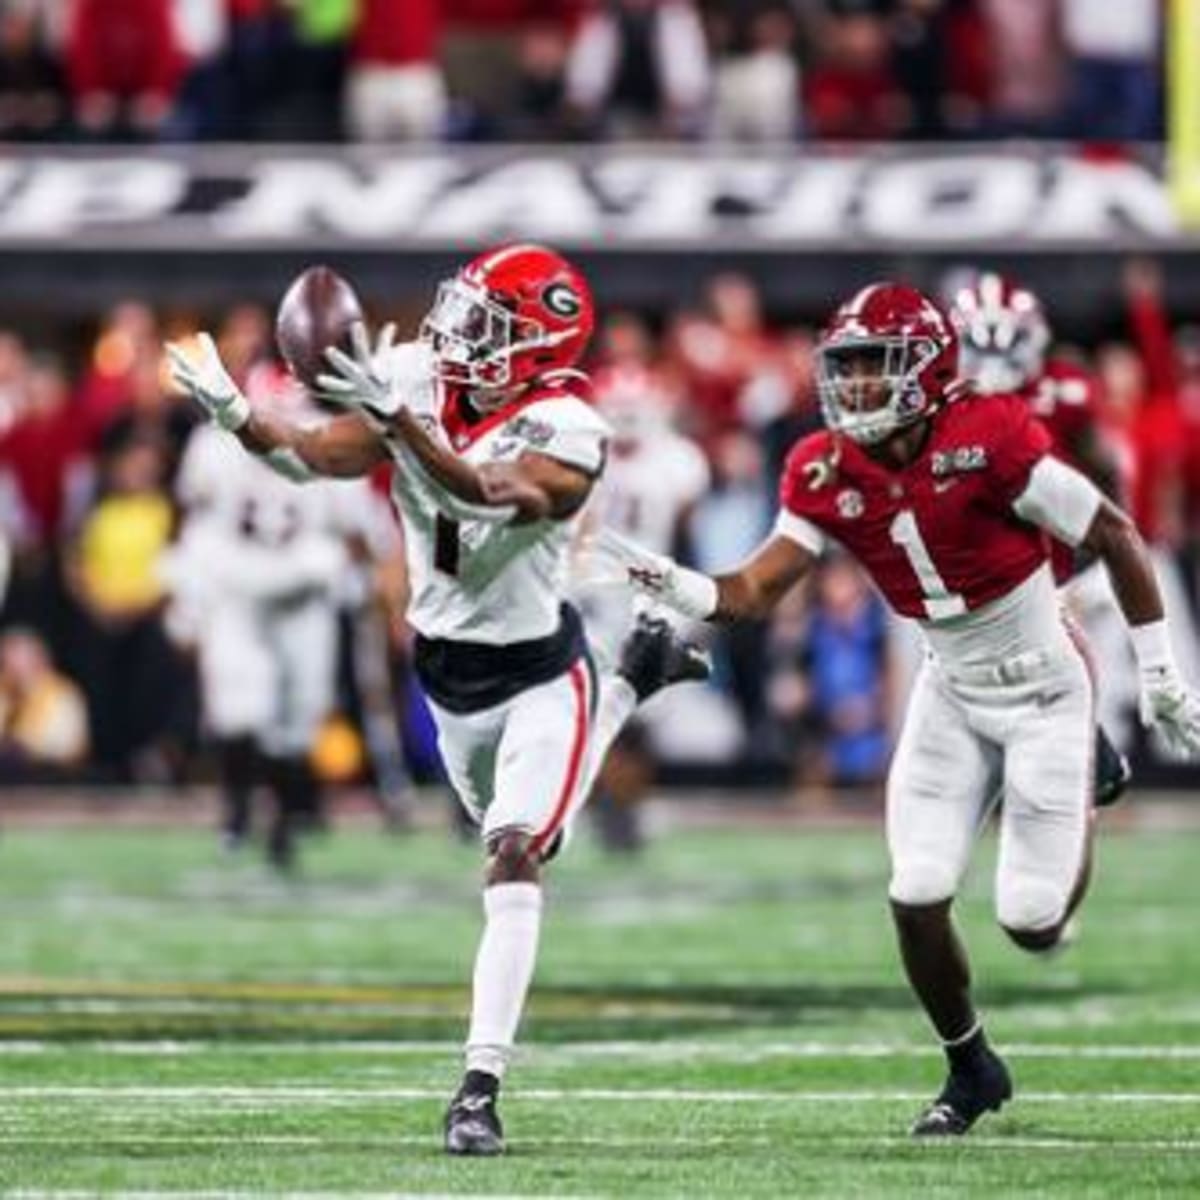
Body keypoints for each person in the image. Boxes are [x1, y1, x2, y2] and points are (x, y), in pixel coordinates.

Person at [584, 281, 1200, 1137]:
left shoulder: (992, 432)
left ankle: (1093, 764)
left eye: (877, 367)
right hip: (948, 688)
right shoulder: (824, 465)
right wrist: (668, 580)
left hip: (1047, 685)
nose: (858, 387)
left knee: (1031, 920)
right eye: (848, 369)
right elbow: (756, 586)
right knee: (914, 890)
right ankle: (971, 1066)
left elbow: (1113, 533)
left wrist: (1162, 672)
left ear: (929, 368)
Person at [165, 243, 707, 1156]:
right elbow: (315, 457)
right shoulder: (418, 376)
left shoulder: (572, 425)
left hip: (540, 669)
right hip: (446, 676)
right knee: (540, 834)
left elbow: (495, 494)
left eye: (488, 326)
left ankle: (477, 1089)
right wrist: (235, 414)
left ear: (537, 346)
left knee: (514, 855)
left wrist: (401, 425)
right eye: (461, 311)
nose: (456, 334)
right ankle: (630, 687)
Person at [949, 270, 1132, 791]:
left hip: (1063, 568)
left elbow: (1109, 484)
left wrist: (1097, 570)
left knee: (1075, 688)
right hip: (978, 577)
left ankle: (1087, 765)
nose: (991, 361)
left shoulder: (1066, 393)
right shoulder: (942, 406)